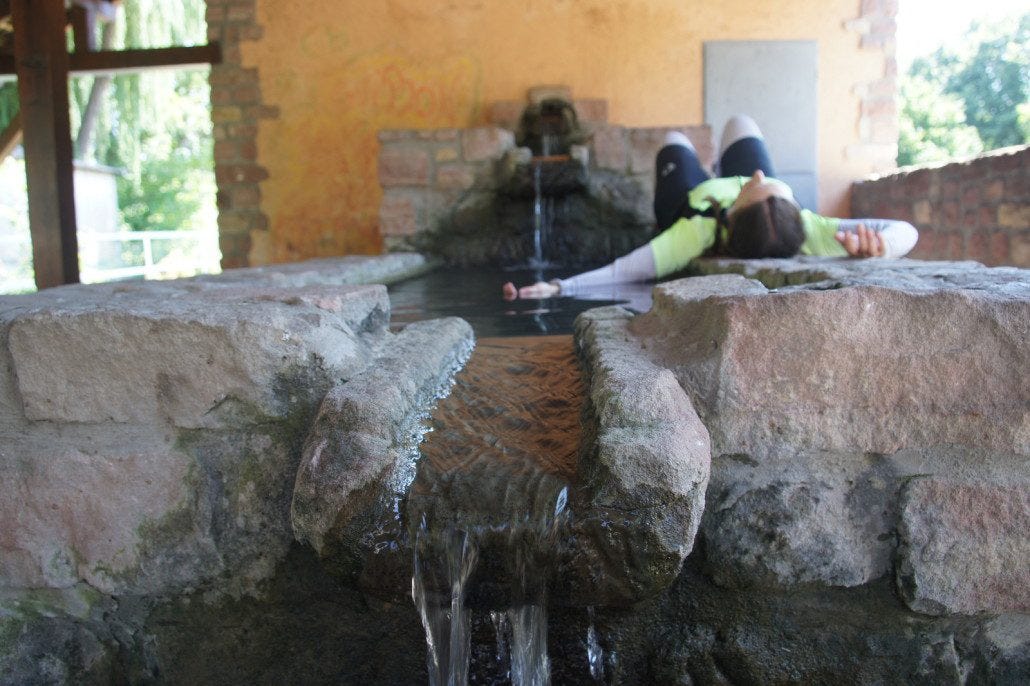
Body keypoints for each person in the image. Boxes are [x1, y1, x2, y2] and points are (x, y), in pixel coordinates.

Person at [503, 115, 917, 300]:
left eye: (756, 186)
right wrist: (880, 246)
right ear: (793, 206)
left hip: (691, 199)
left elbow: (626, 270)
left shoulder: (698, 231)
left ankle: (700, 170)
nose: (757, 177)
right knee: (742, 122)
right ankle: (720, 165)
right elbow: (906, 231)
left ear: (731, 214)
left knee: (675, 140)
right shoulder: (810, 226)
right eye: (771, 186)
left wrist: (559, 287)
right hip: (745, 200)